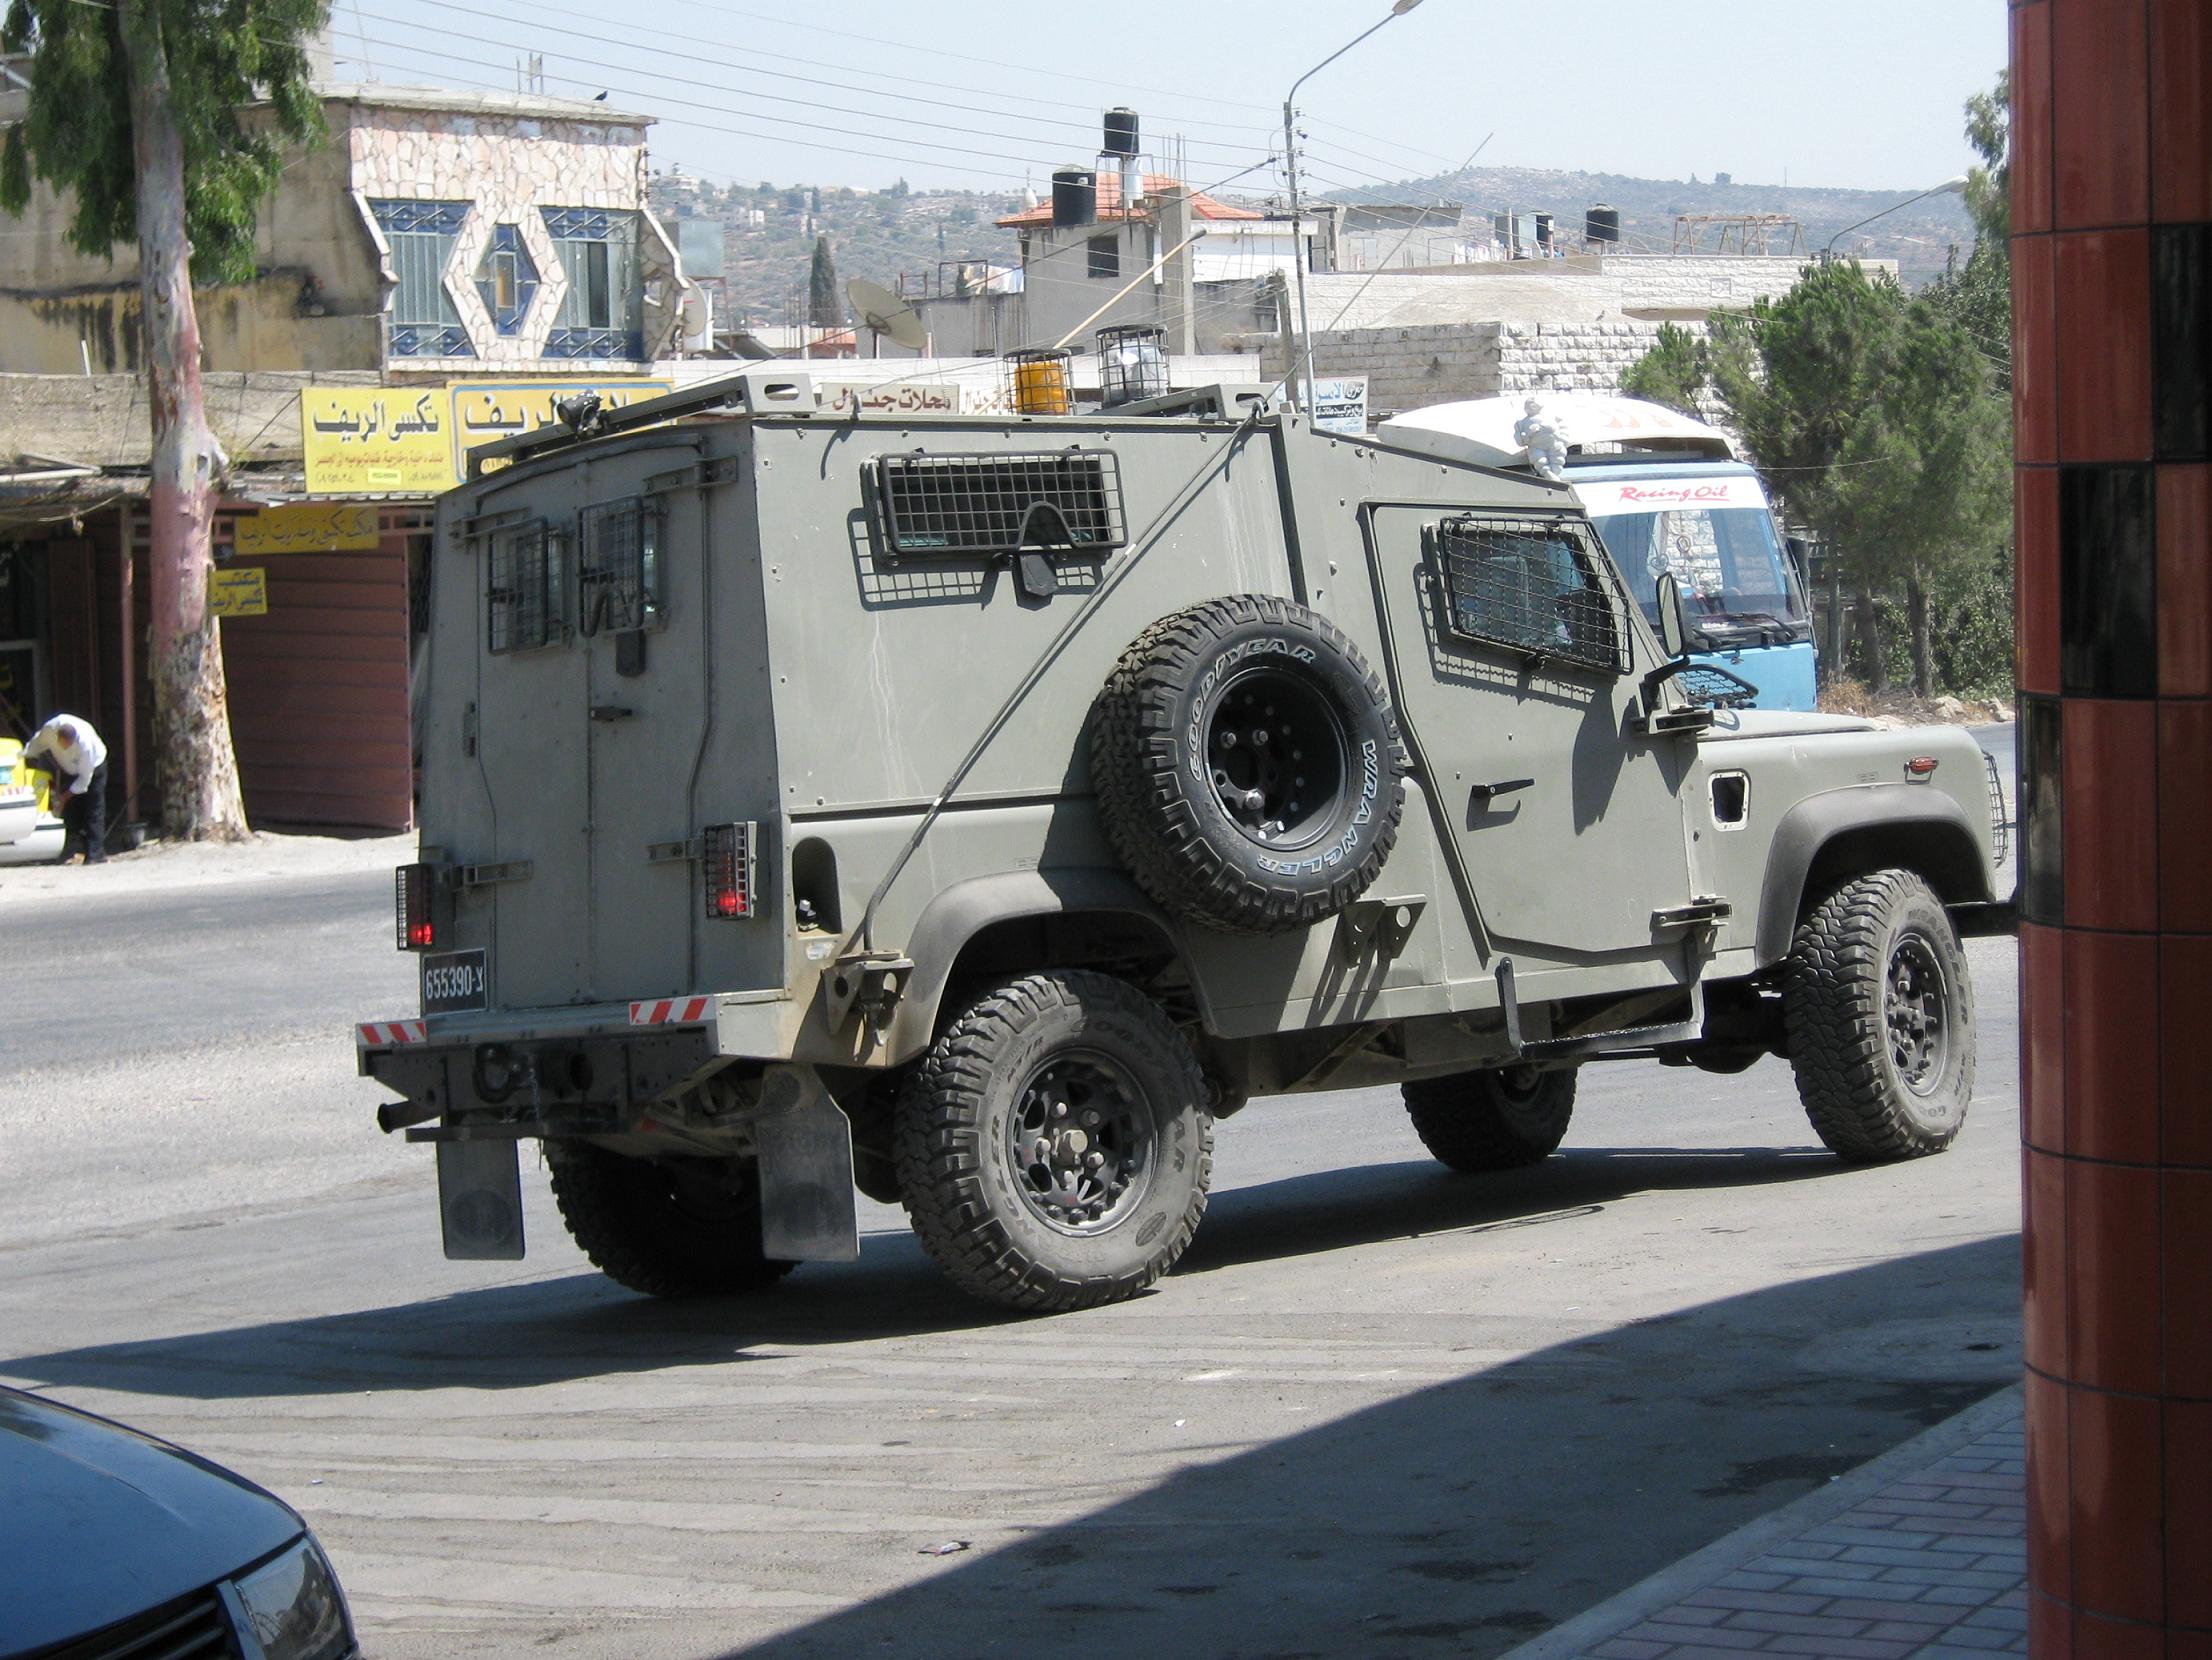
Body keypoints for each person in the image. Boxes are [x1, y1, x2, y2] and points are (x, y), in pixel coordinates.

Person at [22, 713, 108, 864]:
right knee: (71, 811)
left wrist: (64, 797)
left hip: (94, 768)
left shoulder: (86, 746)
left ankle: (94, 854)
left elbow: (84, 780)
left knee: (93, 809)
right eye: (63, 744)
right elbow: (37, 743)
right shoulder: (50, 730)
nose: (66, 747)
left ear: (74, 740)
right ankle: (70, 850)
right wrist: (23, 755)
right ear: (57, 737)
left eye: (69, 745)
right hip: (70, 770)